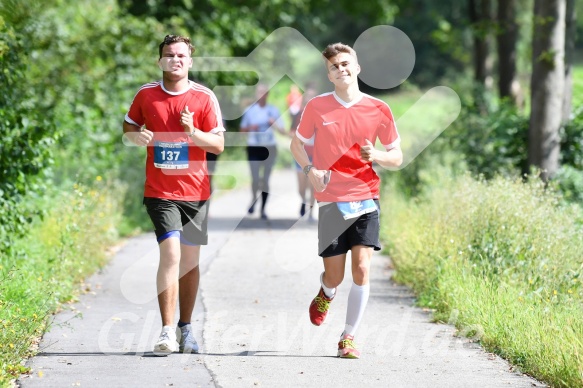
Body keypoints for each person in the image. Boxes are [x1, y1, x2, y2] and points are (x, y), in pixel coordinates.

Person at [290, 43, 403, 359]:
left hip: (366, 197)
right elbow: (296, 145)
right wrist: (310, 169)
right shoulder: (317, 107)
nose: (340, 69)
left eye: (345, 63)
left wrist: (377, 155)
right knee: (336, 275)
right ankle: (327, 291)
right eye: (333, 67)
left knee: (363, 269)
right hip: (331, 200)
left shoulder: (378, 108)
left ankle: (348, 337)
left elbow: (397, 156)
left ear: (357, 67)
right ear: (329, 75)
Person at [122, 34, 225, 356]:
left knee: (190, 263)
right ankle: (166, 331)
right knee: (172, 255)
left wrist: (193, 132)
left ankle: (186, 328)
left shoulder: (204, 98)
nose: (175, 60)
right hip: (160, 191)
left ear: (190, 61)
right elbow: (127, 131)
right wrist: (138, 137)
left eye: (181, 55)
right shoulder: (147, 95)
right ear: (160, 61)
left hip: (195, 192)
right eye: (169, 55)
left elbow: (219, 145)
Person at [240, 84, 285, 220]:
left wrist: (274, 123)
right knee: (255, 178)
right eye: (259, 92)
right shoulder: (249, 111)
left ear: (267, 94)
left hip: (269, 148)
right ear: (256, 94)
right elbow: (242, 131)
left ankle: (263, 209)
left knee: (265, 179)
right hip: (254, 147)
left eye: (264, 92)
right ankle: (254, 198)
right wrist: (250, 128)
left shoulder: (273, 110)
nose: (261, 95)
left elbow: (283, 131)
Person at [289, 86, 317, 221]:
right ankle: (303, 201)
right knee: (301, 187)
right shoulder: (298, 114)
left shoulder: (321, 114)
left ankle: (311, 213)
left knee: (312, 185)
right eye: (307, 97)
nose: (309, 99)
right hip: (301, 154)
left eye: (312, 97)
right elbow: (291, 131)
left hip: (316, 155)